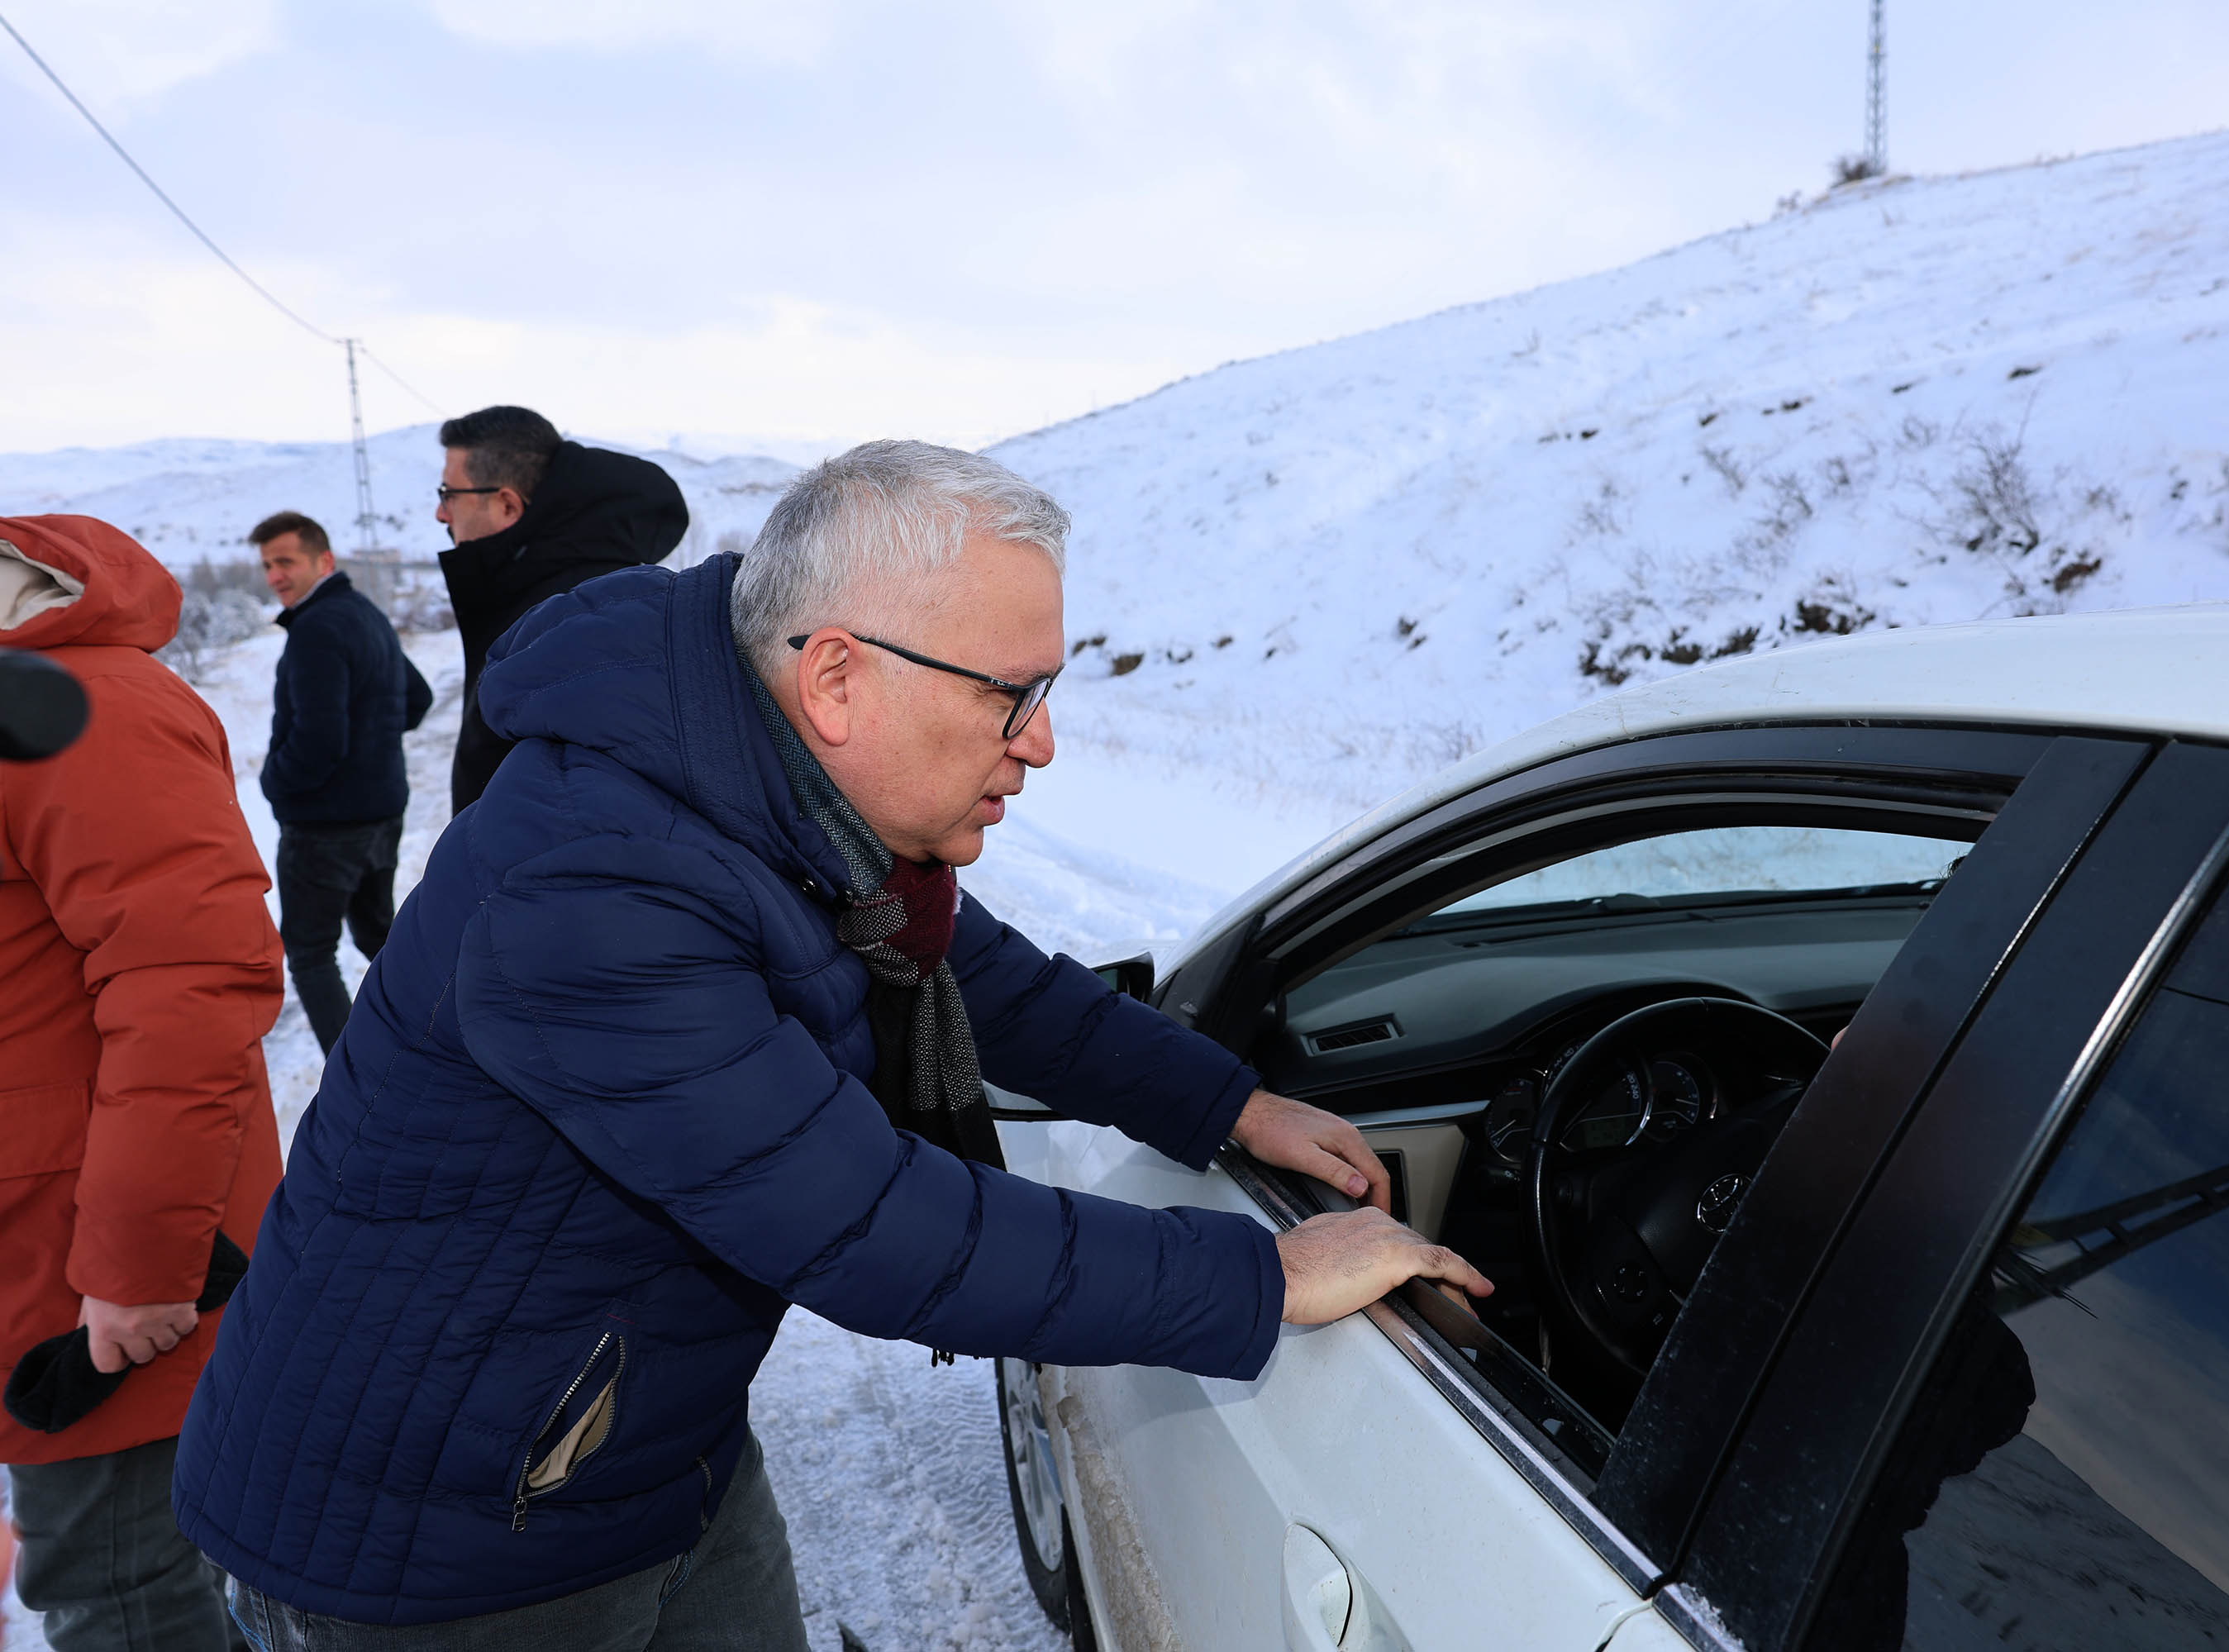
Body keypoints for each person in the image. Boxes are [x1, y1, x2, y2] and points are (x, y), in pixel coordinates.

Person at [175, 441, 1487, 1647]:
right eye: (1010, 695)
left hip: (626, 1446)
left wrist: (1224, 1105)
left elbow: (975, 971)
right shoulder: (595, 891)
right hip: (433, 1539)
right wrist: (1259, 1279)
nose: (1041, 740)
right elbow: (873, 1224)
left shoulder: (769, 790)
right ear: (838, 675)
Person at [2, 515, 284, 1650]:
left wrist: (137, 1269)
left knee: (121, 1588)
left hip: (109, 1275)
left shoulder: (81, 710)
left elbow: (190, 985)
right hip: (45, 1244)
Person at [431, 406, 688, 812]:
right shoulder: (559, 596)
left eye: (449, 494)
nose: (441, 513)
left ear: (507, 505)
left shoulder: (564, 624)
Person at [251, 512, 433, 1055]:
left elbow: (318, 742)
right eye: (266, 565)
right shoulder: (364, 614)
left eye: (285, 561)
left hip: (324, 827)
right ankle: (433, 1040)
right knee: (380, 938)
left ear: (322, 561)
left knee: (310, 953)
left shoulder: (315, 630)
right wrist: (369, 747)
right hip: (381, 813)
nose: (274, 576)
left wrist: (273, 782)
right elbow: (416, 699)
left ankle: (362, 1074)